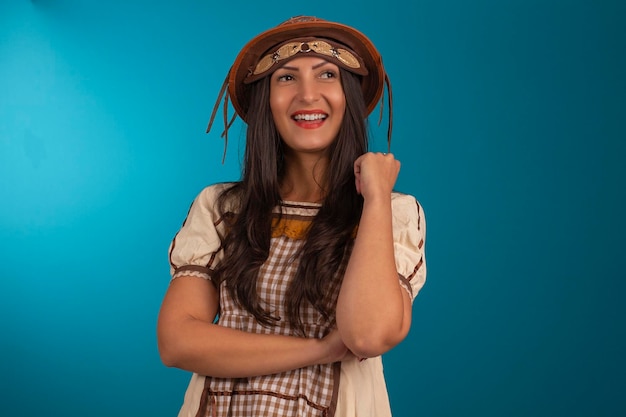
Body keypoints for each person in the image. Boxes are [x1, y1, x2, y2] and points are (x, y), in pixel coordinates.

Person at [157, 15, 426, 417]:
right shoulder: (222, 208)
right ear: (265, 99)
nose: (307, 94)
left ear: (349, 96)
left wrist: (375, 197)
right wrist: (321, 349)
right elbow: (177, 342)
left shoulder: (391, 211)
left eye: (327, 74)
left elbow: (369, 335)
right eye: (286, 78)